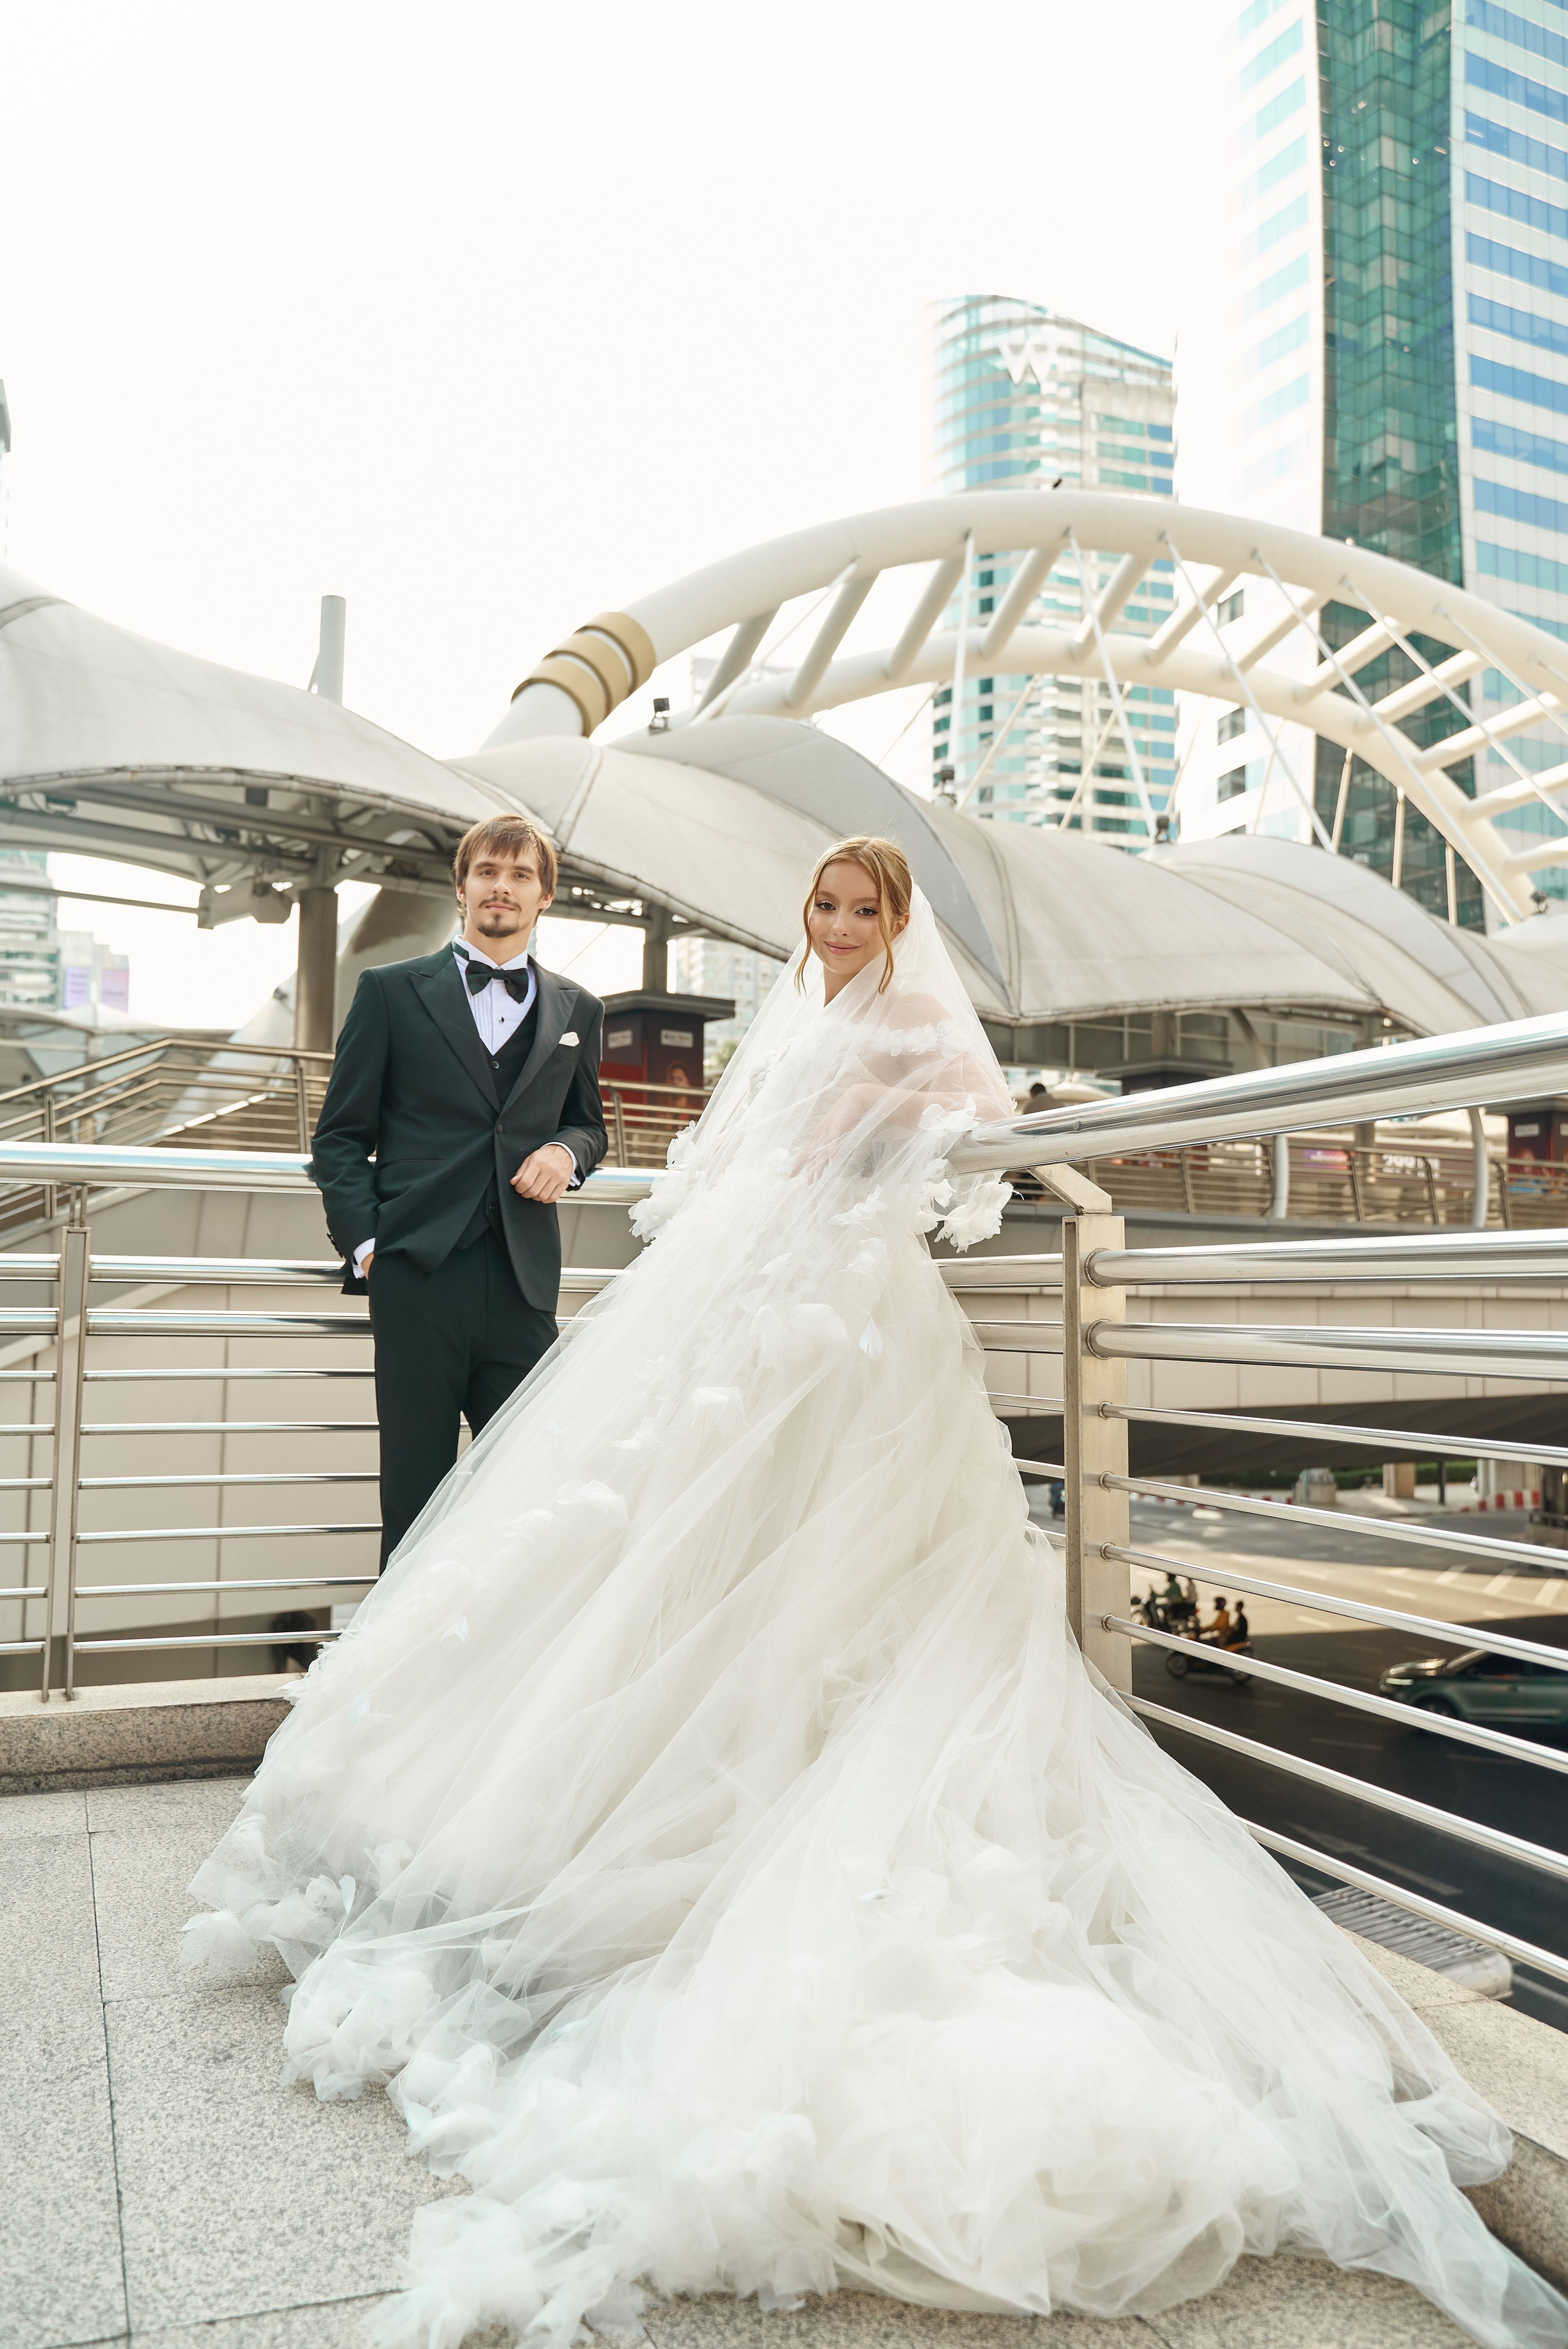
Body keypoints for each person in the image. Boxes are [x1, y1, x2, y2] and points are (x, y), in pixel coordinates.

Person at [186, 836, 1564, 2349]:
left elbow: (973, 1112)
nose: (837, 925)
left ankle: (785, 1784)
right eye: (825, 905)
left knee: (855, 1561)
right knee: (681, 1549)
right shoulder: (796, 1002)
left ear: (896, 923)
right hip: (742, 1295)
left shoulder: (907, 1015)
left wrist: (873, 1122)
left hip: (850, 1308)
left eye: (861, 910)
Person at [309, 815, 606, 1567]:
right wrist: (369, 1247)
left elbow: (589, 1126)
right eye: (488, 872)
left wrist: (565, 1152)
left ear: (545, 896)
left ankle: (506, 1644)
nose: (502, 887)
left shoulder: (579, 1009)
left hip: (523, 1279)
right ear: (462, 886)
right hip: (418, 1275)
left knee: (529, 1492)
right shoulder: (389, 991)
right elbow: (340, 1136)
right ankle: (397, 1648)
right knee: (414, 1497)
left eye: (520, 875)